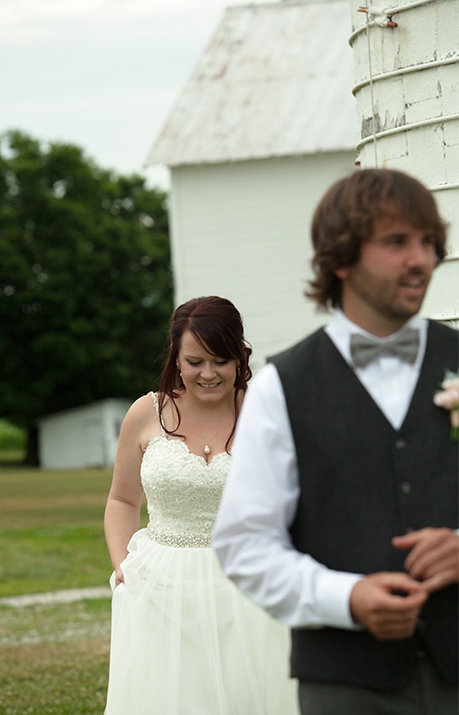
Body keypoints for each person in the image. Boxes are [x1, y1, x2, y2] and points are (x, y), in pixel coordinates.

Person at [213, 169, 459, 715]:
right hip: (346, 687)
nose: (420, 259)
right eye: (396, 243)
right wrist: (345, 597)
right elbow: (244, 544)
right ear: (341, 258)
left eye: (427, 242)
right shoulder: (283, 386)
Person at [103, 295, 298, 715]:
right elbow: (121, 499)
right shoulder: (145, 413)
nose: (208, 374)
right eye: (194, 362)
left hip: (246, 585)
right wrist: (123, 566)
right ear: (176, 358)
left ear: (239, 358)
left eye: (220, 360)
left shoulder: (267, 413)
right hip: (161, 587)